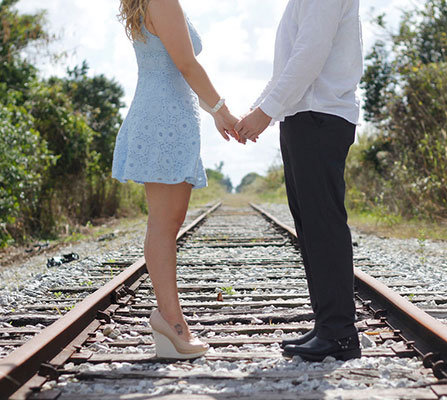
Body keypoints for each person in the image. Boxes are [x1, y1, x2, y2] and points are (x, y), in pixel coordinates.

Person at [236, 0, 364, 362]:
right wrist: (258, 111)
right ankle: (328, 325)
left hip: (320, 116)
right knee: (310, 227)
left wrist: (265, 113)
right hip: (302, 116)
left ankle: (339, 333)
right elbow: (289, 64)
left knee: (322, 224)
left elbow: (311, 54)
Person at [113, 0, 241, 359]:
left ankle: (171, 321)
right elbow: (186, 64)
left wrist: (213, 113)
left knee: (166, 222)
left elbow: (172, 66)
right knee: (165, 223)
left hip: (165, 113)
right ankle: (172, 323)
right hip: (164, 119)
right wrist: (222, 110)